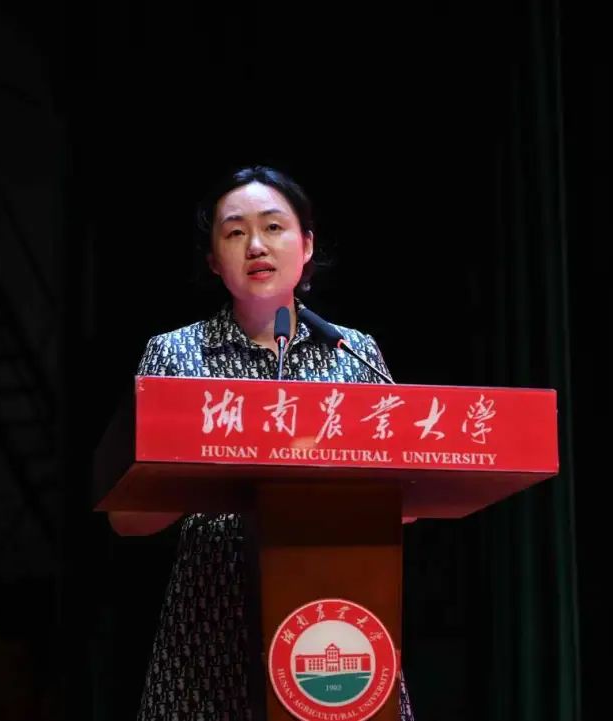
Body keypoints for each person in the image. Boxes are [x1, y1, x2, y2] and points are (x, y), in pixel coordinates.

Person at [109, 166, 416, 720]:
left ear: (307, 245)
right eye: (234, 232)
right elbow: (126, 518)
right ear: (213, 260)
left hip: (334, 602)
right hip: (211, 610)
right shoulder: (176, 356)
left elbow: (405, 502)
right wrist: (215, 470)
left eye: (274, 227)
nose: (256, 245)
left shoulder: (354, 353)